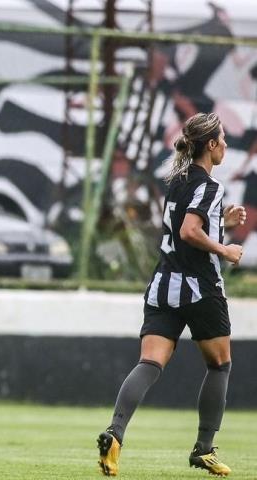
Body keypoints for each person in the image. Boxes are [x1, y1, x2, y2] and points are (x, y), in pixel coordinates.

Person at [97, 113, 244, 477]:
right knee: (220, 364)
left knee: (150, 363)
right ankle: (203, 450)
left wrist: (222, 223)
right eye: (222, 139)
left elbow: (183, 228)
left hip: (163, 286)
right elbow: (191, 231)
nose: (225, 144)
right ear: (210, 145)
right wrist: (225, 249)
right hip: (199, 289)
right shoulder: (210, 186)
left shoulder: (177, 182)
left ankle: (115, 434)